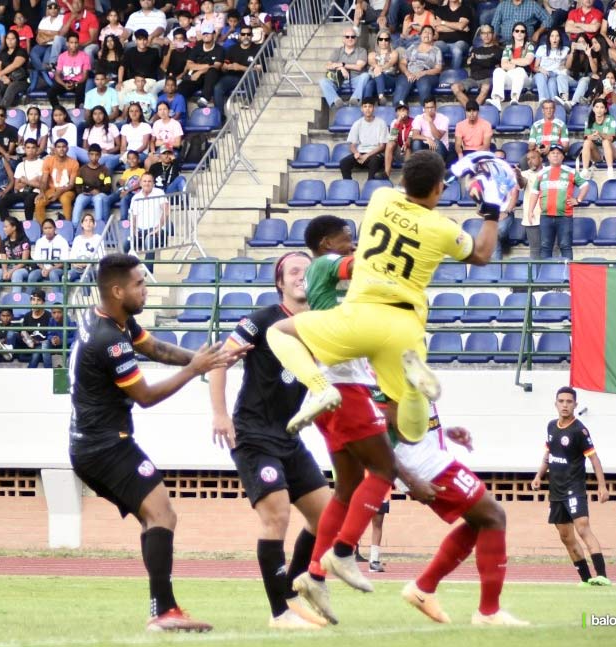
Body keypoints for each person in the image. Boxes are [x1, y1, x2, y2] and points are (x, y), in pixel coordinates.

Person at [265, 152, 496, 446]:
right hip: (404, 327)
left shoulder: (381, 198)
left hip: (360, 316)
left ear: (403, 180)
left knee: (278, 331)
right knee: (410, 433)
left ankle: (320, 388)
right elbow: (482, 254)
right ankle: (413, 391)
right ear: (438, 188)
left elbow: (410, 190)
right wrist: (492, 210)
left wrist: (443, 176)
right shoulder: (443, 228)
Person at [68, 253, 242, 632]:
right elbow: (145, 396)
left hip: (97, 443)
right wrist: (196, 369)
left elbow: (156, 349)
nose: (146, 290)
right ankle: (163, 611)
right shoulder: (109, 340)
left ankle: (164, 609)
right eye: (139, 284)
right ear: (117, 290)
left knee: (157, 515)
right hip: (103, 448)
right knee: (161, 514)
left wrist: (205, 359)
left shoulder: (114, 321)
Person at [278, 216, 432, 626]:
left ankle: (314, 575)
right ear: (328, 242)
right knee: (383, 469)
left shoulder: (326, 286)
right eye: (348, 240)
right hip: (344, 386)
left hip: (332, 388)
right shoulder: (327, 264)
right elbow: (361, 267)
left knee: (346, 489)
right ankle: (343, 552)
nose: (353, 246)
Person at [207, 252, 333, 630]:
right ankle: (281, 612)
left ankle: (293, 588)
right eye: (294, 271)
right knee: (277, 514)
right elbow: (219, 360)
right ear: (280, 283)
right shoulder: (260, 320)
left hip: (289, 437)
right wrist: (219, 414)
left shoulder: (320, 324)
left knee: (327, 517)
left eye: (307, 270)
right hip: (253, 435)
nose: (302, 276)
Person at [390, 405, 529, 625]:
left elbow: (407, 421)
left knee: (481, 522)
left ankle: (424, 588)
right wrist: (411, 480)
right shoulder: (386, 375)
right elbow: (378, 433)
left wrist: (441, 431)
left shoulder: (405, 373)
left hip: (430, 459)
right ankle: (489, 612)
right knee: (493, 517)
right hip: (425, 466)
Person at [530, 387, 611, 587]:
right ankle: (586, 580)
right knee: (566, 537)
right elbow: (548, 455)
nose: (565, 405)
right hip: (555, 491)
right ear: (556, 403)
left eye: (569, 401)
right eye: (561, 401)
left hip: (574, 488)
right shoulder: (551, 426)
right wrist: (539, 476)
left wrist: (602, 486)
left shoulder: (579, 430)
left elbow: (594, 458)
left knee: (582, 528)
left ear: (575, 404)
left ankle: (602, 575)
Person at [524, 144, 589, 260]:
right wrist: (530, 211)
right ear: (548, 157)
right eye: (552, 153)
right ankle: (546, 275)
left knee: (565, 246)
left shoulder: (571, 172)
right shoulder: (541, 173)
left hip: (565, 216)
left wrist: (578, 199)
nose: (555, 155)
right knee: (545, 246)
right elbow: (534, 192)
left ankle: (568, 276)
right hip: (545, 216)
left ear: (563, 157)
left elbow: (585, 185)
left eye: (558, 153)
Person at [339, 97, 388, 181]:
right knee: (344, 163)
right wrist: (356, 153)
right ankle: (349, 186)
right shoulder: (357, 123)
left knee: (374, 162)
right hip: (361, 154)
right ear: (362, 109)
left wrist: (367, 155)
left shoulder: (381, 123)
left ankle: (369, 186)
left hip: (374, 155)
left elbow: (382, 146)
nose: (367, 109)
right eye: (365, 106)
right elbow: (352, 145)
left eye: (370, 106)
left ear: (373, 108)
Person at [488, 23, 535, 111]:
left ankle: (514, 98)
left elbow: (527, 61)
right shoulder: (508, 47)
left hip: (525, 80)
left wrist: (512, 61)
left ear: (525, 34)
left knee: (519, 70)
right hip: (511, 77)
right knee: (498, 70)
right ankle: (496, 100)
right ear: (513, 33)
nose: (519, 33)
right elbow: (503, 64)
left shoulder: (529, 46)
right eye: (517, 31)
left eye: (522, 31)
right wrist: (518, 63)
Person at [450, 25, 498, 109]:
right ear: (480, 35)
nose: (486, 35)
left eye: (489, 33)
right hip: (473, 79)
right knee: (455, 87)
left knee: (485, 87)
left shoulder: (499, 50)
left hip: (488, 78)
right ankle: (471, 110)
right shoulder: (474, 50)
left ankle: (472, 111)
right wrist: (486, 60)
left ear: (493, 34)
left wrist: (476, 60)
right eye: (483, 33)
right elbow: (471, 63)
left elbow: (490, 63)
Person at [318, 27, 367, 109]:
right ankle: (336, 101)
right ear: (343, 39)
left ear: (356, 39)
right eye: (347, 37)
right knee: (322, 81)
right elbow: (328, 65)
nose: (350, 39)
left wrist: (342, 65)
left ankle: (355, 99)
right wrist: (340, 68)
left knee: (366, 76)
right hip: (339, 81)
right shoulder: (338, 51)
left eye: (353, 37)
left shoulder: (361, 51)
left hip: (355, 80)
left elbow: (358, 67)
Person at [392, 26, 440, 107]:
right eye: (425, 32)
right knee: (402, 84)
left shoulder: (436, 50)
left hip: (427, 74)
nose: (427, 34)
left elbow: (438, 69)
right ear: (420, 35)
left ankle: (425, 112)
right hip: (410, 72)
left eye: (430, 33)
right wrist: (407, 73)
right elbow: (402, 63)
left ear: (433, 37)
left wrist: (423, 73)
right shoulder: (412, 47)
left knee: (424, 84)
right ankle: (398, 111)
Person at [36, 138, 80, 222]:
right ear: (55, 149)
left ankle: (67, 226)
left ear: (67, 148)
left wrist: (59, 192)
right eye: (59, 147)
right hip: (51, 189)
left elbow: (71, 184)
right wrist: (42, 192)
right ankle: (43, 228)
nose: (61, 149)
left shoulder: (74, 163)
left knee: (65, 200)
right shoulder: (48, 160)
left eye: (64, 147)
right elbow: (44, 180)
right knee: (39, 202)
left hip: (67, 190)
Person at [73, 144, 113, 224]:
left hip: (99, 194)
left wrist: (98, 191)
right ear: (88, 155)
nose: (94, 157)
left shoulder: (105, 170)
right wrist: (83, 191)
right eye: (92, 154)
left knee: (98, 199)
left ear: (100, 155)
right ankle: (75, 225)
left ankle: (99, 225)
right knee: (79, 200)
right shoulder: (82, 170)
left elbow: (108, 186)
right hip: (85, 194)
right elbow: (77, 186)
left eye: (96, 155)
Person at [580, 99, 616, 180]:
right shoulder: (589, 120)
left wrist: (601, 134)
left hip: (611, 149)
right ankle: (585, 170)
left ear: (605, 110)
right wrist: (592, 136)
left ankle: (610, 171)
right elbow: (586, 137)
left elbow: (611, 138)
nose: (599, 110)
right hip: (597, 151)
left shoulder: (610, 119)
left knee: (605, 141)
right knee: (587, 142)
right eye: (597, 107)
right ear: (593, 109)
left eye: (602, 107)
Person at [30, 218, 69, 282]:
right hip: (43, 269)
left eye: (50, 228)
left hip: (58, 269)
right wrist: (44, 269)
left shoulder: (62, 241)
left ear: (55, 229)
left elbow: (63, 262)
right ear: (42, 230)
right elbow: (38, 261)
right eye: (45, 228)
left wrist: (50, 270)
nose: (48, 230)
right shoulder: (40, 241)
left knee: (53, 274)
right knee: (32, 275)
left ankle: (57, 292)